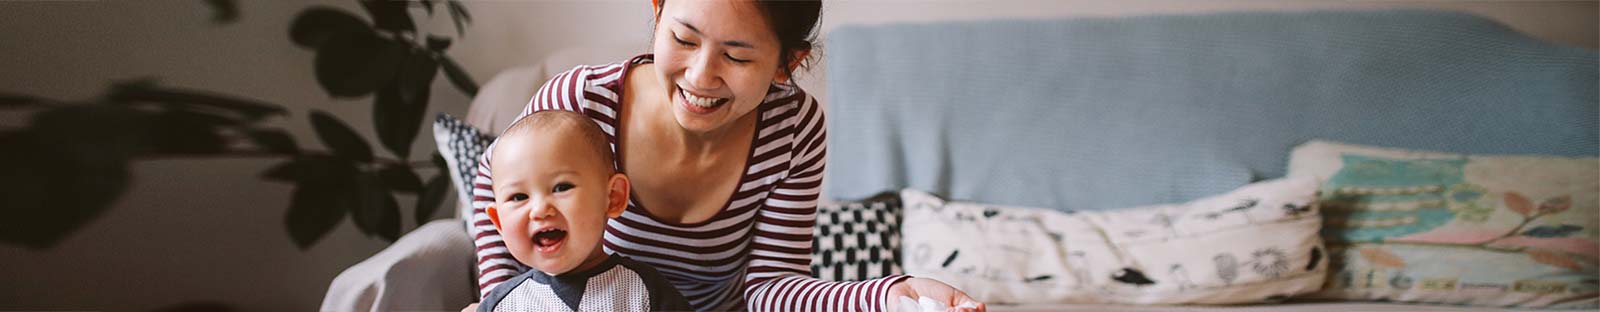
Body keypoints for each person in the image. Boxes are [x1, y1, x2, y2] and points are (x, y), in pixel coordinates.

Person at [467, 0, 986, 311]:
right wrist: (502, 300)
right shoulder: (581, 103)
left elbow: (772, 291)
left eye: (737, 56)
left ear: (788, 63)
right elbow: (496, 187)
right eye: (683, 39)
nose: (700, 77)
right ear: (657, 10)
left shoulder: (793, 131)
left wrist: (890, 296)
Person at [477, 110, 690, 312]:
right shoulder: (503, 305)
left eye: (561, 187)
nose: (540, 210)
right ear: (499, 223)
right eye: (519, 197)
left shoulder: (643, 290)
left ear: (613, 197)